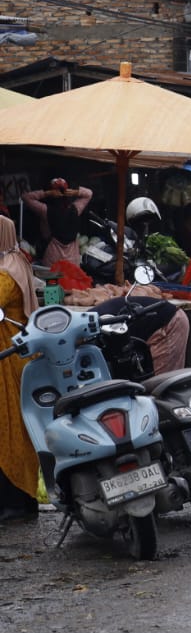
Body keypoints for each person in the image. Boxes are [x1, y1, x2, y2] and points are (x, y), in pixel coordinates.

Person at [0, 214, 40, 523]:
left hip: (8, 360)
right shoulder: (16, 262)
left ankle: (14, 501)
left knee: (10, 431)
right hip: (15, 356)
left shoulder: (8, 271)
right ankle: (24, 500)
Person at [21, 178, 93, 266]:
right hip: (73, 262)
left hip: (53, 262)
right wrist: (76, 192)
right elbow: (89, 193)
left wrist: (46, 193)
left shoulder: (45, 210)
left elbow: (26, 197)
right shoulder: (76, 209)